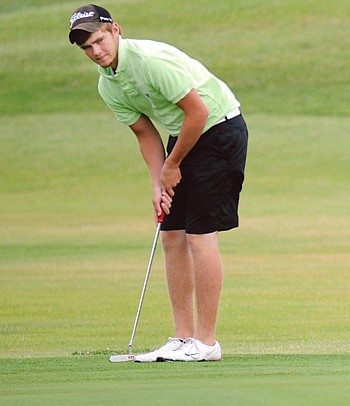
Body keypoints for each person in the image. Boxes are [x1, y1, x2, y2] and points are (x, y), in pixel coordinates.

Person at [68, 4, 248, 362]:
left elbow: (198, 111)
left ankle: (206, 343)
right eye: (87, 47)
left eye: (99, 40)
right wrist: (158, 184)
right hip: (183, 136)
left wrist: (174, 164)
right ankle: (182, 339)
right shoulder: (109, 85)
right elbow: (145, 133)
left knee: (199, 234)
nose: (96, 51)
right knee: (171, 233)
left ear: (115, 30)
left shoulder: (151, 61)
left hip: (218, 129)